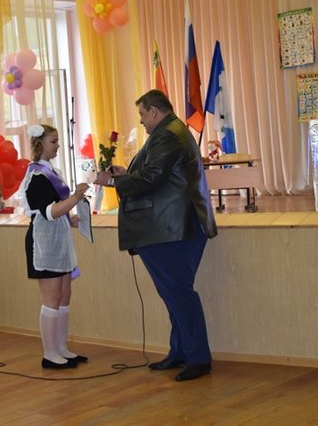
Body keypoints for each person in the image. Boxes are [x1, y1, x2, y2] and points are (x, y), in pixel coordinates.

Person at [95, 89, 218, 382]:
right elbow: (157, 174)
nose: (140, 121)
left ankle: (198, 358)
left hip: (172, 229)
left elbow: (151, 178)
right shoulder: (171, 131)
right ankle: (181, 351)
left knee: (178, 293)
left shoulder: (168, 135)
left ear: (154, 111)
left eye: (142, 114)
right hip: (174, 227)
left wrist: (112, 181)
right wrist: (124, 174)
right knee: (173, 293)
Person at [20, 124, 90, 369]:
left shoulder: (51, 172)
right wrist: (75, 198)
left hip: (58, 240)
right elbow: (48, 212)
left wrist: (70, 219)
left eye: (58, 141)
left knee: (64, 295)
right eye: (53, 142)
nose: (58, 146)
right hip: (44, 243)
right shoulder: (37, 176)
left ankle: (61, 348)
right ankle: (50, 354)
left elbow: (58, 210)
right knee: (51, 298)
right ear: (40, 144)